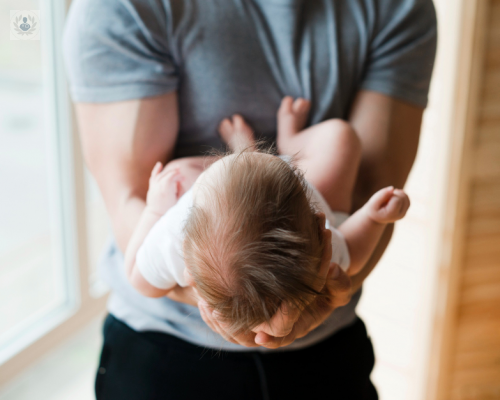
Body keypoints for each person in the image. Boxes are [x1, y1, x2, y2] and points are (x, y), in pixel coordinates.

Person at [63, 0, 437, 398]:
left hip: (325, 352)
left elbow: (142, 268)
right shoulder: (123, 8)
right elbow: (128, 198)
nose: (224, 162)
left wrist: (159, 207)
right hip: (167, 351)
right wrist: (373, 220)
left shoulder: (399, 7)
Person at [124, 97, 410, 337]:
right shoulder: (313, 246)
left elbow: (139, 280)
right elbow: (352, 254)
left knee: (174, 175)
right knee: (341, 137)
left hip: (216, 200)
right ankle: (288, 142)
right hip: (310, 194)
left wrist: (155, 210)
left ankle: (245, 154)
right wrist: (374, 218)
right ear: (314, 222)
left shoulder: (174, 234)